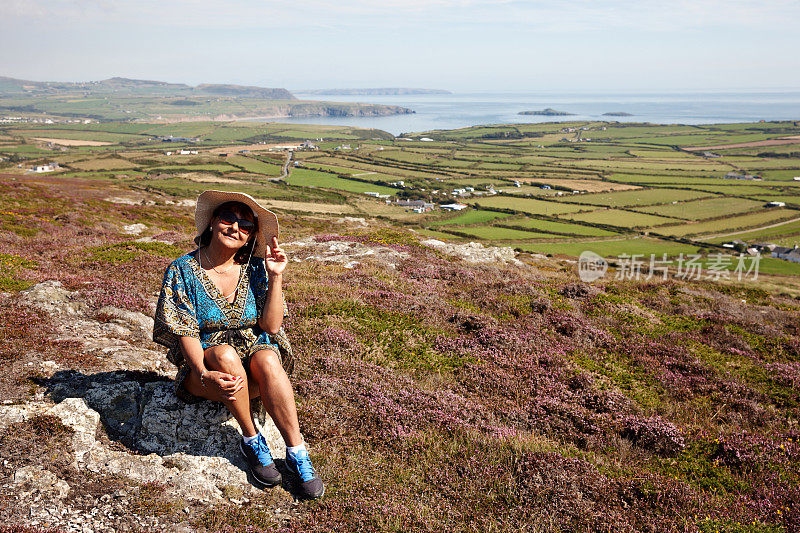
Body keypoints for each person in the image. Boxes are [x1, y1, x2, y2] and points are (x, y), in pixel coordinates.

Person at [153, 190, 324, 500]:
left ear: (250, 237)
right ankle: (251, 438)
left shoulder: (256, 268)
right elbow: (185, 329)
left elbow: (271, 327)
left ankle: (297, 451)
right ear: (212, 223)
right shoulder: (181, 269)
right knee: (225, 353)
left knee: (269, 359)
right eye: (228, 218)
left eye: (245, 224)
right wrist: (203, 373)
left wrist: (275, 277)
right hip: (208, 370)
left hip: (254, 369)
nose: (235, 227)